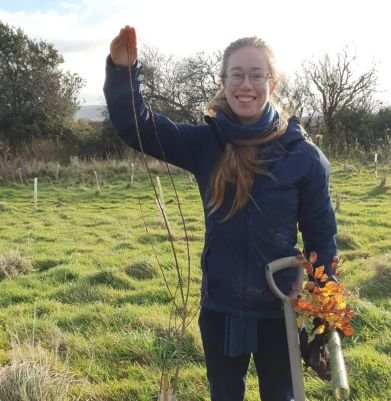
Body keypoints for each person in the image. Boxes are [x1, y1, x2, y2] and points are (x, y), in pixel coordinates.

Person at [104, 26, 337, 401]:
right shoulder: (205, 144)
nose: (246, 84)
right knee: (224, 394)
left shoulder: (303, 157)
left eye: (256, 75)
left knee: (282, 395)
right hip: (220, 306)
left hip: (281, 307)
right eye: (237, 75)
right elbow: (139, 127)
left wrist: (324, 313)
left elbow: (321, 239)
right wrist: (122, 71)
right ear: (224, 81)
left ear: (272, 84)